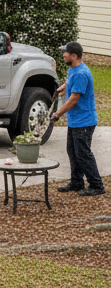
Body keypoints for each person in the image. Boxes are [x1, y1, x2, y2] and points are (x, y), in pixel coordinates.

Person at [51, 42, 105, 196]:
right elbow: (72, 82)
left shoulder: (82, 73)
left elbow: (74, 98)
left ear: (74, 55)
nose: (63, 55)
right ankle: (76, 182)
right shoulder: (74, 68)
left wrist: (57, 114)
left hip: (84, 121)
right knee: (73, 152)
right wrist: (64, 86)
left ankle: (96, 185)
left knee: (83, 154)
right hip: (76, 120)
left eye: (65, 53)